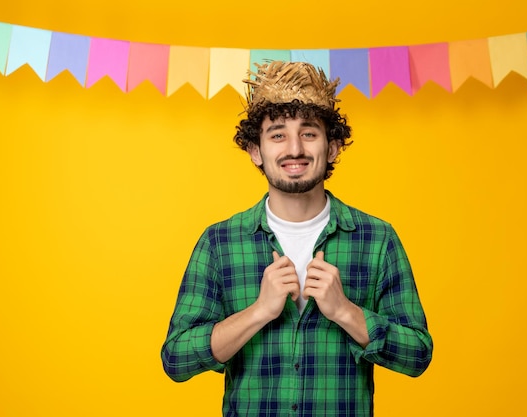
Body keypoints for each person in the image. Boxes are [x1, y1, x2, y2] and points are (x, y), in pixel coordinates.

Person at [161, 61, 433, 417]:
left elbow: (417, 355)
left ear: (332, 147)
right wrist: (258, 312)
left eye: (308, 133)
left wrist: (346, 312)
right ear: (256, 151)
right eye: (277, 134)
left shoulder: (377, 239)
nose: (294, 149)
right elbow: (177, 359)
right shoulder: (219, 243)